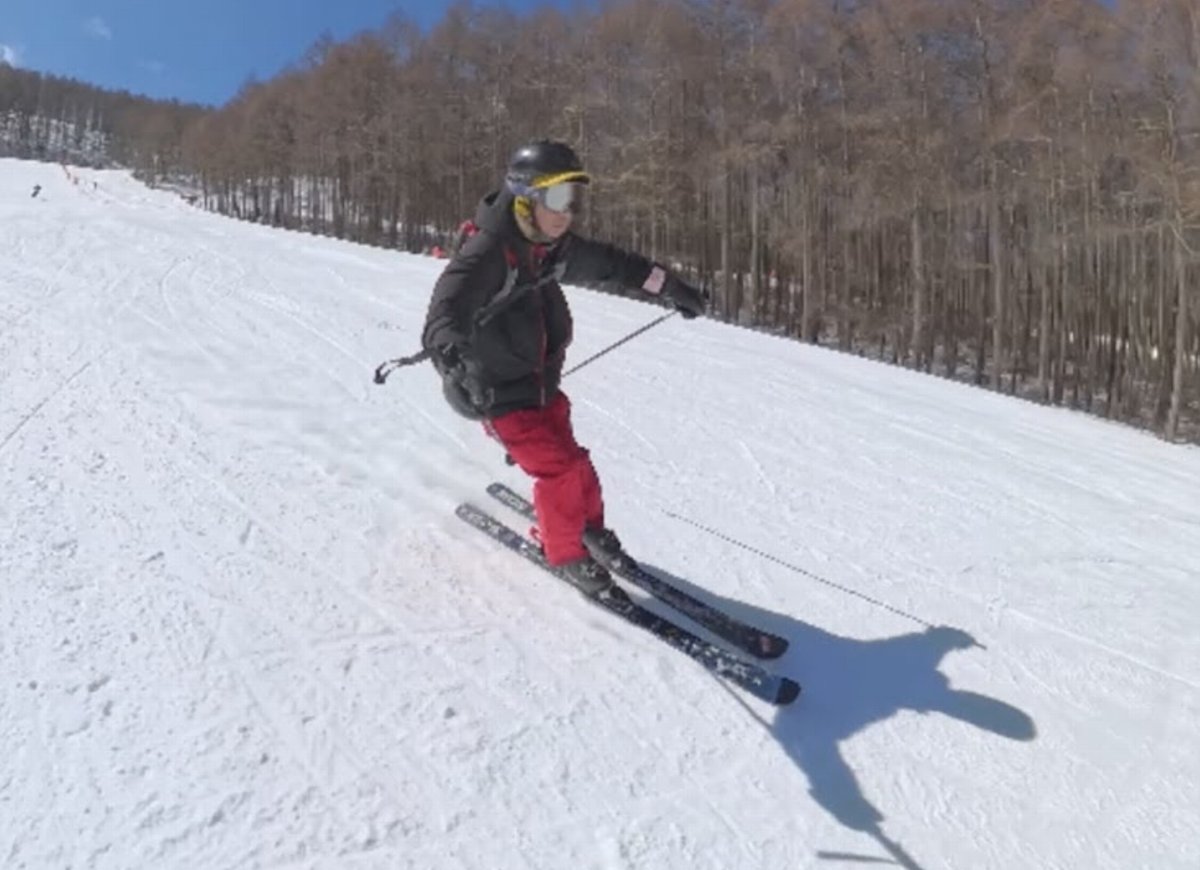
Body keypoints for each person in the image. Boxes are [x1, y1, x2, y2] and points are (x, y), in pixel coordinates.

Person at [421, 139, 706, 596]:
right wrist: (451, 362)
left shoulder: (549, 248)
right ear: (525, 197)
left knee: (577, 464)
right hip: (497, 394)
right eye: (555, 198)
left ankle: (588, 529)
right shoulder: (489, 251)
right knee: (560, 470)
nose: (566, 212)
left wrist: (670, 286)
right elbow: (446, 310)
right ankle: (566, 552)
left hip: (540, 387)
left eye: (572, 200)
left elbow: (616, 266)